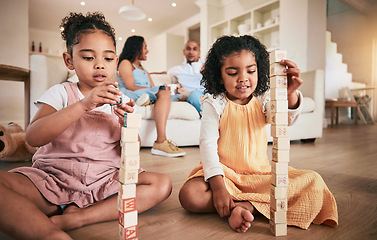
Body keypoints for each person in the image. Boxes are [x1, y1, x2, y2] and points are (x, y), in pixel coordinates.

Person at [0, 12, 172, 240]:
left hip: (104, 183)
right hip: (52, 181)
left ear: (116, 61)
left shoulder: (119, 99)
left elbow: (132, 154)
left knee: (162, 184)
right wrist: (83, 105)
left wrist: (126, 126)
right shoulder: (61, 92)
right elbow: (33, 137)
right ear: (69, 60)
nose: (100, 65)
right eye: (89, 58)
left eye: (108, 59)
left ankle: (79, 217)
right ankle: (49, 233)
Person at [179, 35, 338, 233]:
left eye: (251, 71)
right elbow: (207, 144)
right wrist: (219, 187)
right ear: (219, 76)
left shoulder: (263, 99)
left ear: (259, 71)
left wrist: (289, 93)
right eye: (232, 72)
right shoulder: (214, 103)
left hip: (259, 176)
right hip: (225, 175)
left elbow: (285, 120)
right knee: (189, 195)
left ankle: (245, 206)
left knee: (313, 181)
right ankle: (252, 205)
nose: (243, 78)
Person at [118, 35, 185, 157]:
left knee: (180, 95)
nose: (147, 51)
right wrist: (159, 89)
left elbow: (152, 85)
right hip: (132, 93)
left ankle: (148, 100)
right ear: (136, 47)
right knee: (163, 91)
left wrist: (164, 88)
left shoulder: (143, 68)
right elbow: (131, 86)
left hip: (146, 93)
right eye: (145, 47)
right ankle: (161, 141)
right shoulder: (125, 63)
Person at [168, 40, 205, 115]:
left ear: (199, 52)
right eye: (188, 49)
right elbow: (164, 73)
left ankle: (208, 118)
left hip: (200, 94)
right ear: (184, 52)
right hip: (183, 94)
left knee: (194, 95)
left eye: (194, 49)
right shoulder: (177, 69)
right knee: (166, 98)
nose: (191, 52)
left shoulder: (206, 66)